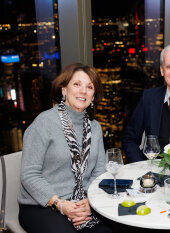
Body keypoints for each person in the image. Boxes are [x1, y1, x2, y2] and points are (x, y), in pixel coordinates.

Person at [18, 63, 112, 233]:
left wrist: (89, 202)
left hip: (82, 202)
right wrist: (61, 205)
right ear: (63, 90)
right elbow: (29, 175)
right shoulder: (44, 123)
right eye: (77, 84)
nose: (83, 91)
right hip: (43, 204)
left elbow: (99, 172)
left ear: (93, 95)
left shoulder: (95, 127)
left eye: (89, 87)